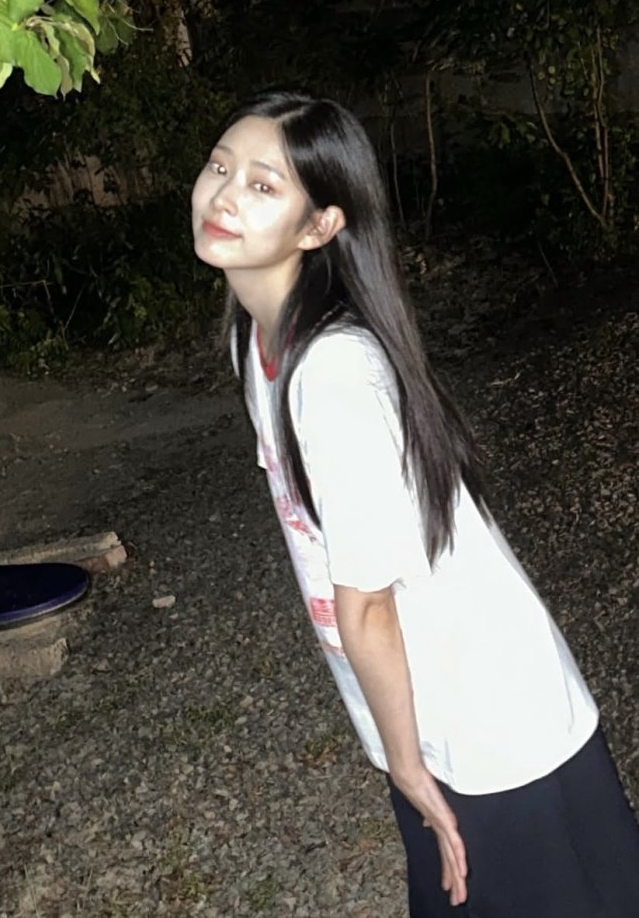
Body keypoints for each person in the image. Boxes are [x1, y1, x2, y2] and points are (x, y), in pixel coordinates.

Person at [190, 88, 639, 917]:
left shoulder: (334, 373)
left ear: (321, 224)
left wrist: (404, 762)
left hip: (493, 722)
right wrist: (397, 745)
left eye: (262, 184)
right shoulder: (256, 339)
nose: (223, 195)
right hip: (425, 712)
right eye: (220, 167)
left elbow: (366, 604)